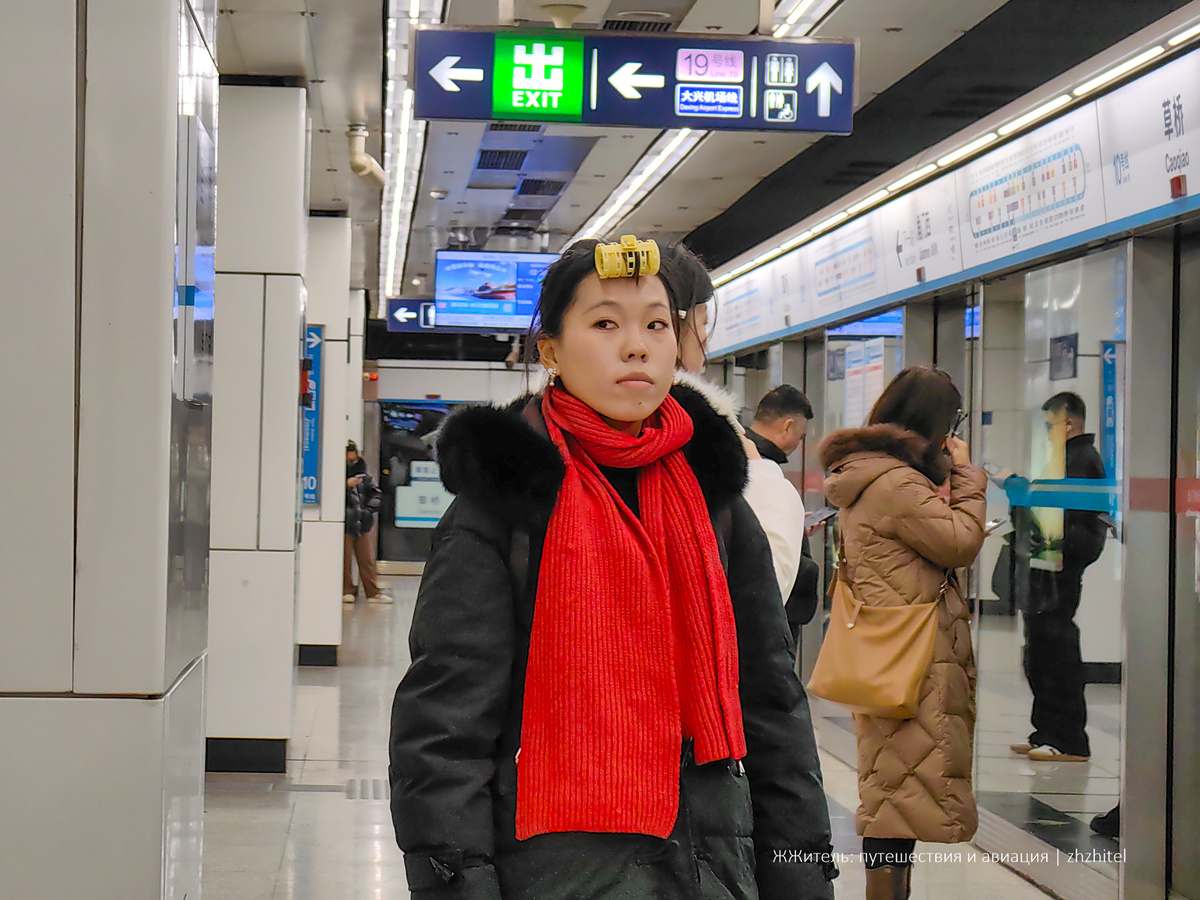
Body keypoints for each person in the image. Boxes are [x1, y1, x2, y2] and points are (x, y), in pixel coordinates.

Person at [389, 237, 836, 900]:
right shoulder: (507, 502)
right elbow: (445, 725)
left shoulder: (713, 500)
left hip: (708, 861)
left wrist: (799, 871)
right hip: (552, 870)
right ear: (550, 350)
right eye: (604, 324)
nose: (637, 347)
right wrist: (457, 881)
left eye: (656, 325)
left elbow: (770, 701)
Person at [819, 366, 986, 900]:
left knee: (893, 789)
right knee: (893, 799)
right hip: (912, 657)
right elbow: (960, 542)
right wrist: (968, 477)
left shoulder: (872, 474)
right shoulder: (897, 483)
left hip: (888, 647)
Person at [661, 244, 820, 643]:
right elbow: (764, 584)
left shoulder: (547, 429)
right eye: (702, 324)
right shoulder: (702, 432)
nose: (705, 338)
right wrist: (766, 479)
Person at [1010, 392, 1107, 762]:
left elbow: (1069, 517)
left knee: (1056, 649)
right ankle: (1045, 731)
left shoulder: (1082, 460)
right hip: (1046, 564)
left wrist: (1023, 494)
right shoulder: (1062, 459)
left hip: (1059, 568)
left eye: (1050, 426)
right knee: (1039, 650)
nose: (1047, 433)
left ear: (1070, 424)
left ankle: (1068, 738)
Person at [344, 441, 387, 603]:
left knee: (366, 559)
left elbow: (376, 495)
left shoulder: (365, 477)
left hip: (361, 523)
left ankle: (372, 592)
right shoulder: (337, 476)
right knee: (345, 560)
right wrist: (346, 485)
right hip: (346, 524)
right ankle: (347, 590)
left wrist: (368, 511)